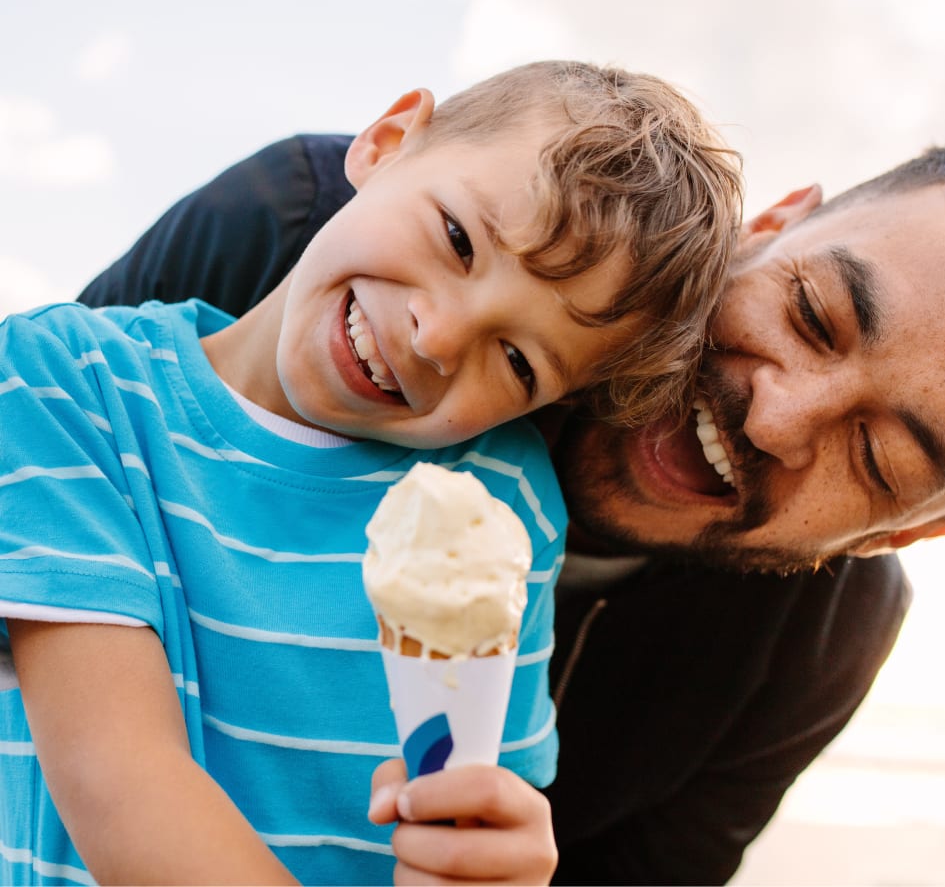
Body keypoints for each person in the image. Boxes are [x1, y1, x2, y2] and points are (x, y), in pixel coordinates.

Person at [81, 130, 945, 885]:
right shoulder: (322, 264)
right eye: (812, 314)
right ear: (766, 228)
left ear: (898, 534)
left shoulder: (816, 646)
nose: (779, 416)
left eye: (877, 456)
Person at [0, 61, 744, 885]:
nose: (438, 336)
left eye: (518, 362)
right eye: (458, 239)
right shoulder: (62, 384)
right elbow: (119, 780)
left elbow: (469, 806)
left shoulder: (503, 504)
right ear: (387, 143)